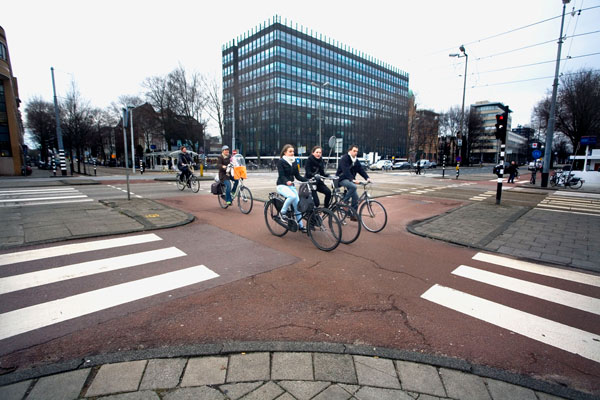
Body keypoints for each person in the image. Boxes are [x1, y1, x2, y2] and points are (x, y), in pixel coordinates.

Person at [276, 144, 308, 232]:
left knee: (298, 206)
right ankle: (282, 213)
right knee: (292, 196)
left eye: (293, 151)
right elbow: (281, 176)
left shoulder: (294, 162)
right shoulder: (281, 162)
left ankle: (301, 226)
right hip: (282, 185)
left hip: (291, 186)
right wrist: (287, 181)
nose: (292, 153)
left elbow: (298, 176)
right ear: (285, 152)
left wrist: (307, 180)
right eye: (290, 151)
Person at [336, 144, 371, 214]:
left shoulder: (355, 161)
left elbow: (361, 170)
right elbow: (345, 170)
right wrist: (352, 179)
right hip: (341, 179)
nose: (356, 153)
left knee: (356, 198)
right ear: (350, 151)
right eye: (354, 151)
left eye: (357, 151)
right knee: (353, 186)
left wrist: (367, 177)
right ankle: (344, 202)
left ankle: (352, 214)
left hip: (349, 180)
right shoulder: (344, 158)